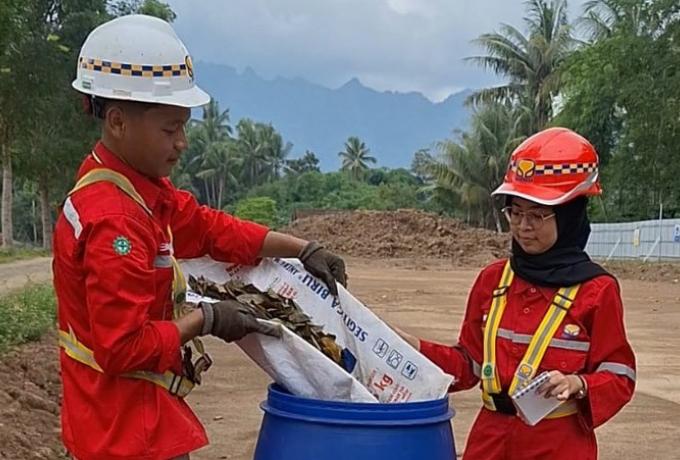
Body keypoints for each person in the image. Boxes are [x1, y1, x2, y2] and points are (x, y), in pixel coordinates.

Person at [53, 15, 347, 460]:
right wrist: (207, 320)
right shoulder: (115, 220)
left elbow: (208, 228)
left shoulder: (138, 192)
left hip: (138, 423)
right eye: (170, 129)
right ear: (117, 121)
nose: (183, 143)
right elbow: (122, 349)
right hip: (122, 435)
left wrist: (301, 248)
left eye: (184, 127)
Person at [398, 127, 636, 459]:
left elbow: (619, 375)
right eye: (515, 212)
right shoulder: (493, 280)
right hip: (490, 441)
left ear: (570, 216)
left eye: (538, 215)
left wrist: (578, 384)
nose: (524, 226)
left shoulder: (597, 291)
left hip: (557, 445)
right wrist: (412, 347)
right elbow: (470, 365)